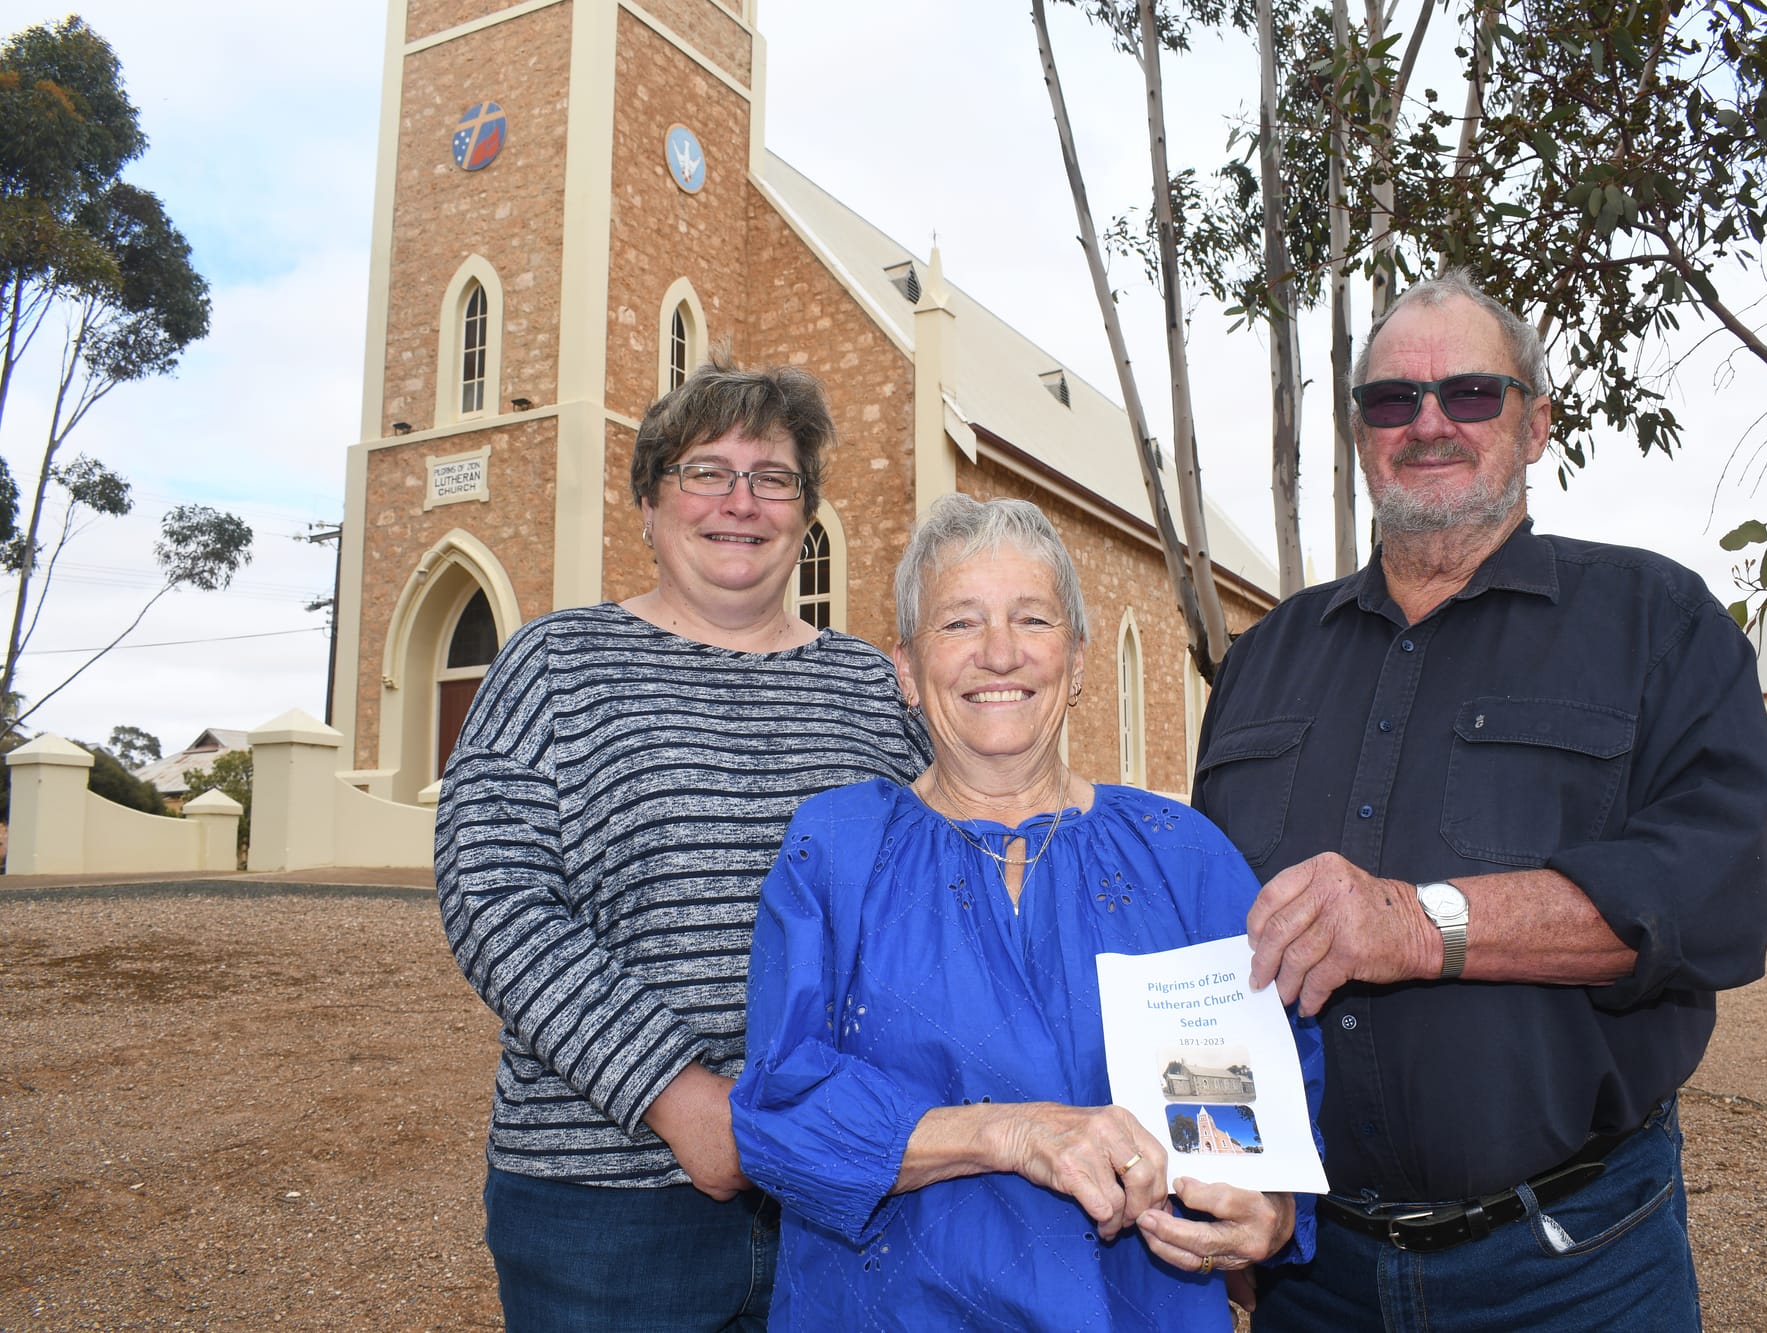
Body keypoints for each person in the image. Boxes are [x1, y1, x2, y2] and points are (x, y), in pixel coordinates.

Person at [1192, 269, 1767, 1331]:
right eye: (1391, 400)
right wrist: (1225, 1187)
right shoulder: (1262, 661)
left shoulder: (1658, 624)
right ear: (1361, 435)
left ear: (1534, 423)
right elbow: (1211, 944)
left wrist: (1418, 924)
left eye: (1468, 393)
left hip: (1573, 1268)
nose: (1427, 423)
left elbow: (1708, 898)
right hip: (1310, 1275)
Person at [730, 494, 1321, 1332]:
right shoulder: (835, 852)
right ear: (906, 668)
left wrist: (1276, 1210)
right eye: (959, 622)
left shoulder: (1183, 856)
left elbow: (1280, 1096)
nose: (999, 652)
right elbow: (777, 1114)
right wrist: (1013, 1132)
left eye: (1032, 618)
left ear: (1076, 660)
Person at [434, 361, 932, 1332]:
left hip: (844, 1193)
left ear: (805, 512)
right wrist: (675, 1094)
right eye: (706, 471)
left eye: (773, 477)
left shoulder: (875, 690)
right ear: (649, 503)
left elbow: (950, 888)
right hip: (605, 1214)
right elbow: (492, 893)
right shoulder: (555, 665)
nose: (740, 502)